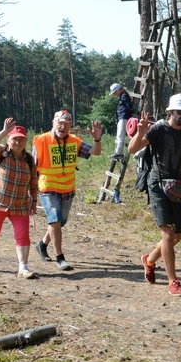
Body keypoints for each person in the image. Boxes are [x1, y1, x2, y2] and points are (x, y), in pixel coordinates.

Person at [128, 93, 181, 297]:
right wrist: (141, 132)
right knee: (167, 234)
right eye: (180, 112)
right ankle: (173, 282)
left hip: (180, 185)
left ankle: (149, 260)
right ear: (170, 111)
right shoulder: (158, 128)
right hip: (158, 184)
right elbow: (133, 148)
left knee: (176, 237)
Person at [33, 110, 103, 271]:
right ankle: (60, 258)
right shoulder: (41, 140)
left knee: (59, 222)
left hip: (67, 189)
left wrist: (97, 139)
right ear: (53, 122)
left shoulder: (75, 141)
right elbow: (33, 166)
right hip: (48, 188)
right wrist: (31, 190)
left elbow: (96, 152)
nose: (62, 126)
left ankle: (42, 245)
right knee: (55, 220)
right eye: (59, 123)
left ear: (70, 126)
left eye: (66, 124)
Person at [0, 118, 38, 279]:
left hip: (20, 205)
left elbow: (33, 183)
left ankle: (23, 268)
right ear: (9, 140)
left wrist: (34, 202)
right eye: (15, 139)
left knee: (23, 235)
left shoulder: (29, 159)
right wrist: (5, 131)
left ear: (26, 141)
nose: (18, 142)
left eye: (21, 139)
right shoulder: (0, 152)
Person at [109, 83, 134, 161]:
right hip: (122, 118)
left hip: (124, 118)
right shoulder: (122, 96)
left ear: (119, 89)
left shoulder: (124, 96)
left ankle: (119, 153)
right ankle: (118, 152)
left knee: (120, 135)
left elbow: (129, 107)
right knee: (119, 136)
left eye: (115, 92)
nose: (114, 94)